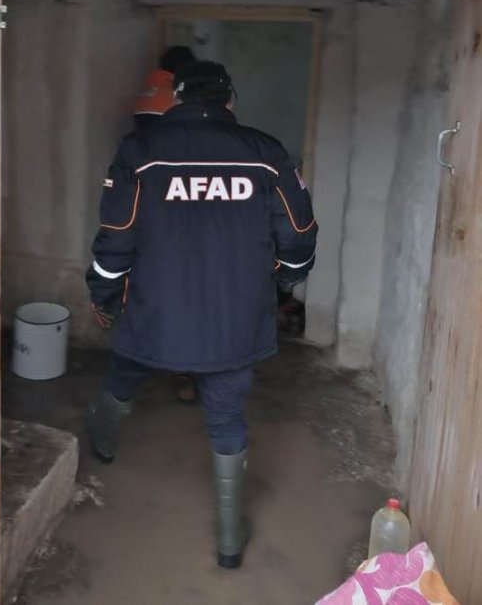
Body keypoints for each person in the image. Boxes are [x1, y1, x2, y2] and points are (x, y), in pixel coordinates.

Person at [85, 60, 318, 569]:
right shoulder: (265, 152)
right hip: (234, 316)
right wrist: (283, 281)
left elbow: (116, 236)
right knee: (227, 415)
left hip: (154, 308)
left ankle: (100, 445)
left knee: (125, 372)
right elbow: (298, 234)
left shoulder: (140, 151)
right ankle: (229, 542)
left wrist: (103, 293)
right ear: (229, 99)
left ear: (177, 98)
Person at [134, 44, 199, 403]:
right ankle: (183, 368)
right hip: (175, 204)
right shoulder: (173, 95)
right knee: (184, 287)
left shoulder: (149, 90)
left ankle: (151, 351)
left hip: (149, 201)